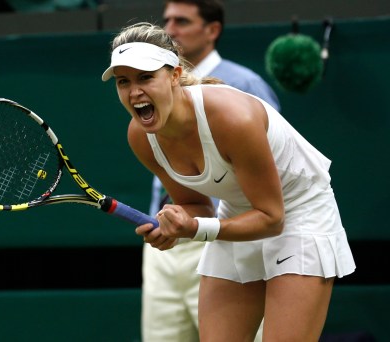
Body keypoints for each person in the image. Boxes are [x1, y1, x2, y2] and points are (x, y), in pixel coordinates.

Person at [101, 22, 356, 342]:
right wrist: (178, 223)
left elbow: (272, 218)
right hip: (240, 214)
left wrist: (196, 229)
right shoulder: (140, 137)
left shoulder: (233, 118)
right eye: (123, 82)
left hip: (298, 214)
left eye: (146, 77)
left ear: (175, 75)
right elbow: (197, 205)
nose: (134, 91)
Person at [146, 1, 280, 341]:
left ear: (212, 30)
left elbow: (274, 172)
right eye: (166, 21)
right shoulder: (148, 89)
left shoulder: (244, 85)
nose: (170, 29)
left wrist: (200, 225)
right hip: (166, 243)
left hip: (225, 238)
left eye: (182, 21)